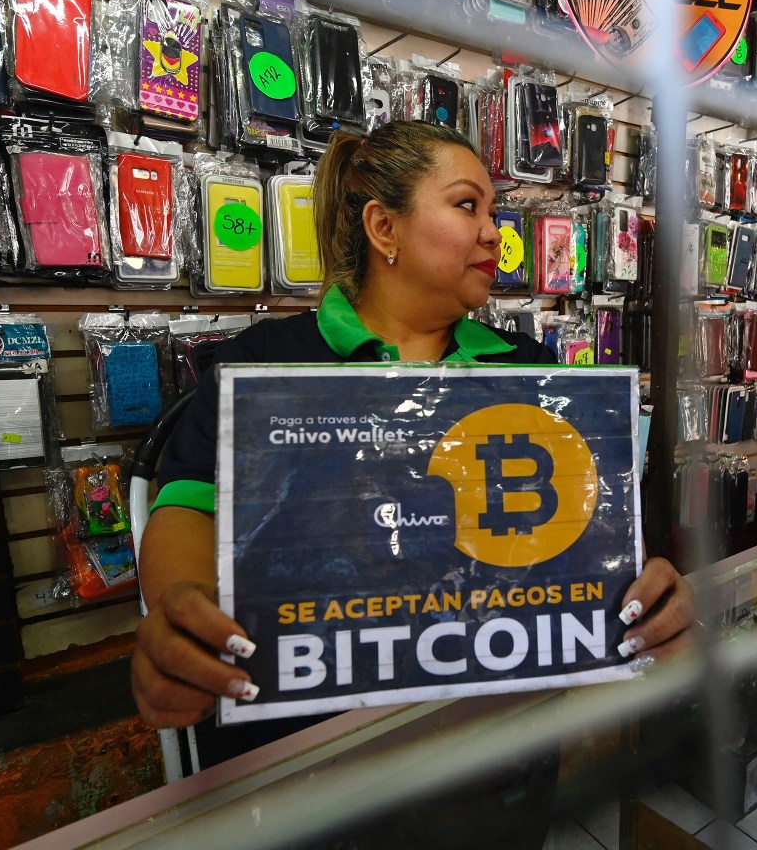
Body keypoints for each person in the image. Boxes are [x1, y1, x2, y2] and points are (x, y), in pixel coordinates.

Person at [131, 121, 696, 770]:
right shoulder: (259, 366)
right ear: (384, 228)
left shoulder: (533, 369)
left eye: (493, 210)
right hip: (311, 764)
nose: (495, 232)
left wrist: (647, 602)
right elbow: (187, 506)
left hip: (494, 759)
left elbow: (590, 531)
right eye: (466, 205)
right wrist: (183, 617)